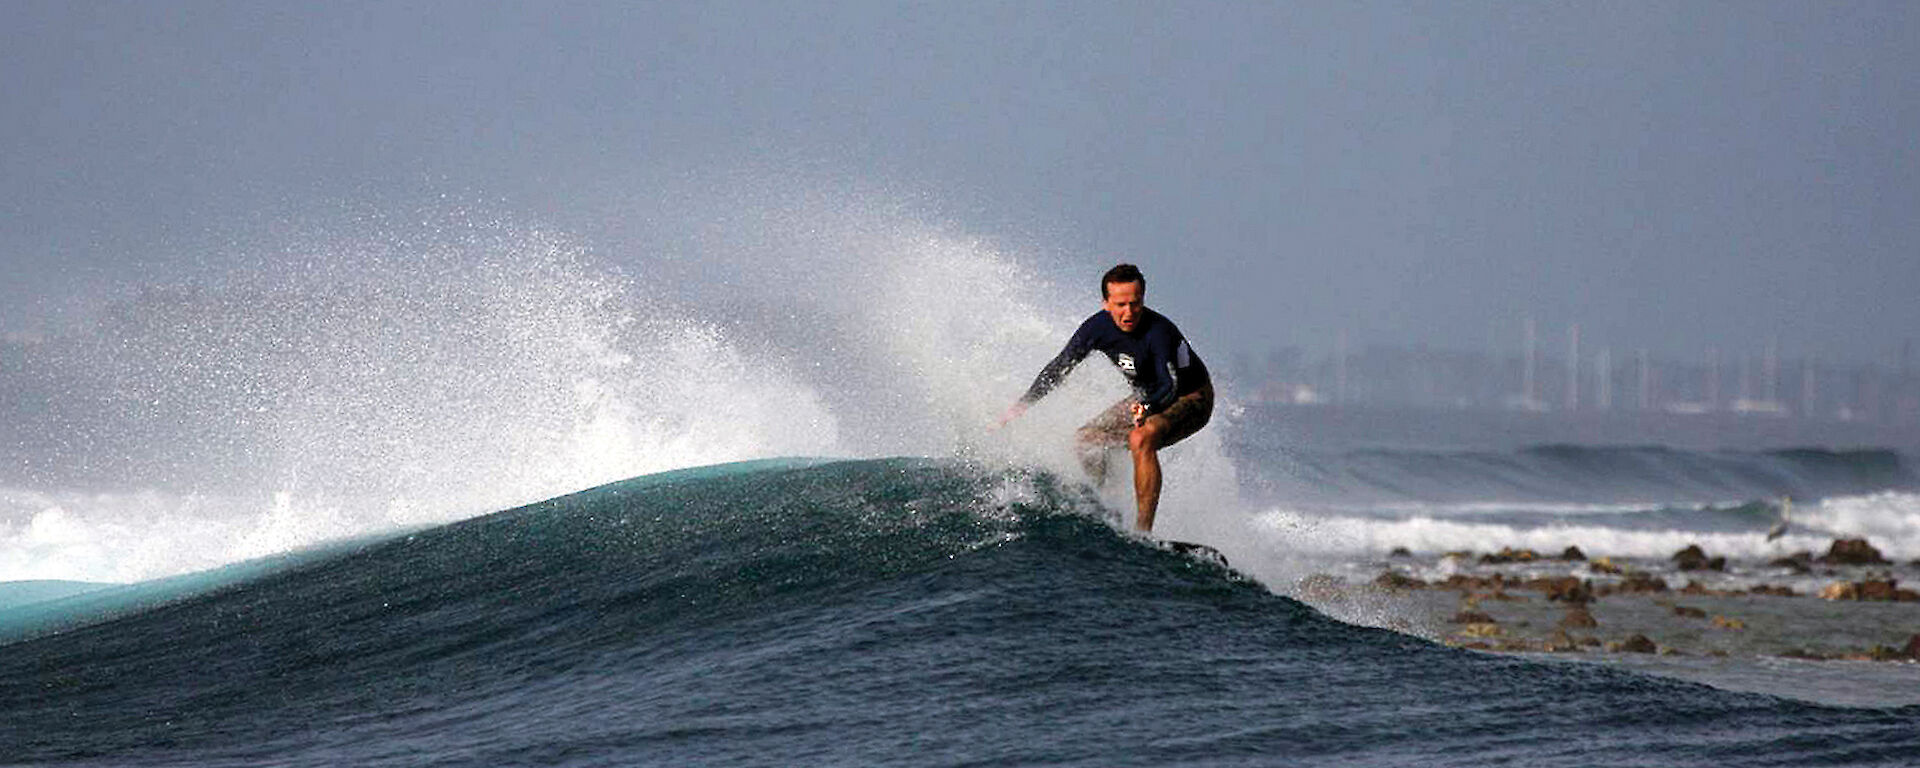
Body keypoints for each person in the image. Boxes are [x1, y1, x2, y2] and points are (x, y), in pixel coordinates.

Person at [997, 264, 1213, 532]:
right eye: (1120, 304)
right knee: (1086, 440)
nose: (1129, 312)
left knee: (1141, 438)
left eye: (1135, 304)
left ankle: (1143, 533)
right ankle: (1105, 510)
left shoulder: (1159, 332)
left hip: (1190, 398)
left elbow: (1168, 383)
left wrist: (1147, 407)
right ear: (1106, 304)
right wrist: (1023, 404)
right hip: (1145, 397)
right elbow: (1060, 366)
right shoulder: (1096, 328)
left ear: (1143, 300)